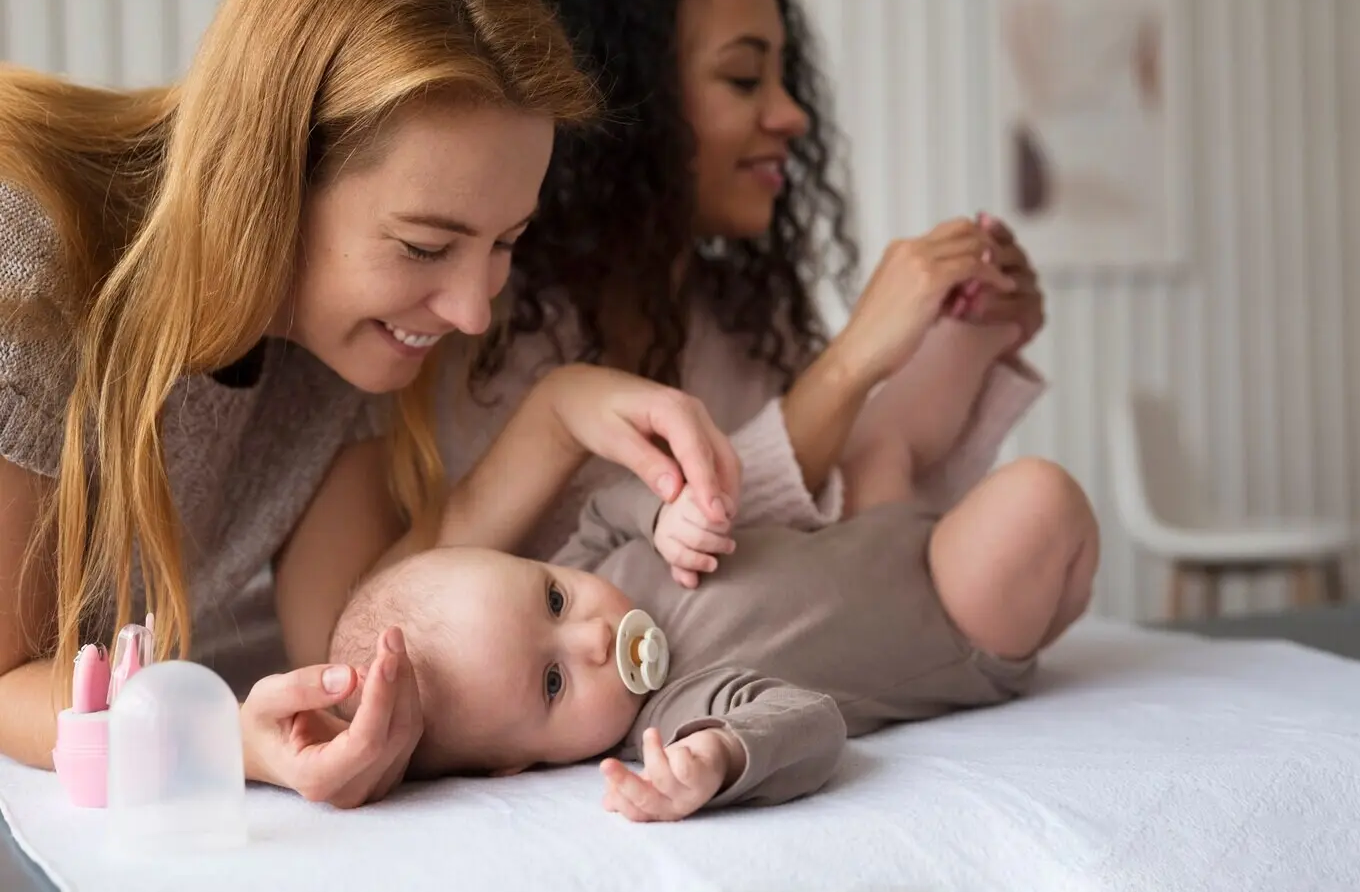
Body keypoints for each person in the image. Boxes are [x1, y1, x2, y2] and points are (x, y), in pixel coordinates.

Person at [0, 0, 739, 811]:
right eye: (425, 247)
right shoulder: (23, 258)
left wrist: (558, 415)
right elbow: (4, 680)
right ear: (271, 180)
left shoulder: (339, 339)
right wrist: (218, 737)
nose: (471, 311)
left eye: (506, 241)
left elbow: (354, 636)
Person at [331, 295, 1098, 817]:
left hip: (869, 532)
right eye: (554, 681)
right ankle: (1051, 596)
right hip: (944, 609)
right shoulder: (675, 714)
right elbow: (810, 722)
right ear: (520, 763)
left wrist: (662, 512)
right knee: (1039, 495)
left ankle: (981, 322)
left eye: (553, 599)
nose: (592, 635)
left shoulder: (591, 562)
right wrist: (723, 758)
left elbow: (605, 506)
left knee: (881, 441)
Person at [435, 0, 1050, 581]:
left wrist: (970, 340)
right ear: (629, 98)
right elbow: (589, 577)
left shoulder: (749, 320)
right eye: (744, 78)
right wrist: (849, 364)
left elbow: (853, 530)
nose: (792, 116)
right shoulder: (483, 327)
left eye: (786, 79)